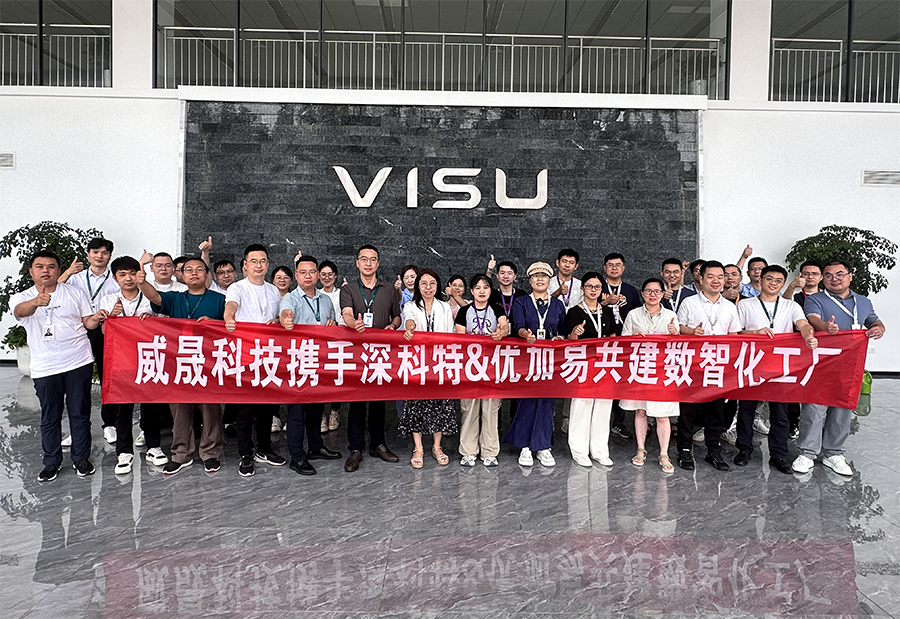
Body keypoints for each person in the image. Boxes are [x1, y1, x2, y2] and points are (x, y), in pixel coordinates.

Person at [13, 250, 105, 482]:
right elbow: (19, 312)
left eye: (51, 266)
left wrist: (96, 318)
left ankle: (81, 458)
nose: (46, 271)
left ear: (58, 270)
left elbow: (87, 322)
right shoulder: (23, 297)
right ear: (31, 271)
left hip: (78, 361)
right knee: (50, 415)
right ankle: (51, 462)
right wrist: (36, 302)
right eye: (40, 266)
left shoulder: (74, 292)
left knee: (79, 412)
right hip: (45, 366)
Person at [794, 260, 885, 476]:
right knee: (814, 407)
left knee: (843, 407)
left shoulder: (863, 301)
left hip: (850, 364)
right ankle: (807, 453)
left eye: (839, 274)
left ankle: (834, 453)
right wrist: (826, 327)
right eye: (828, 275)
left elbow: (874, 321)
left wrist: (879, 328)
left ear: (850, 276)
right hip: (821, 363)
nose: (834, 279)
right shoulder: (815, 299)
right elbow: (813, 319)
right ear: (823, 279)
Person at [138, 256, 227, 475]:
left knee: (210, 410)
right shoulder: (175, 298)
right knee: (179, 409)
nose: (194, 273)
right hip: (179, 362)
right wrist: (142, 281)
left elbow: (230, 326)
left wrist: (215, 324)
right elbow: (155, 297)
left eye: (199, 269)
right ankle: (180, 453)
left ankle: (210, 453)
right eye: (189, 270)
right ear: (181, 275)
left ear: (207, 275)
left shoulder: (219, 299)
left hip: (208, 363)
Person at [734, 265, 818, 474]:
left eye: (779, 280)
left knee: (780, 413)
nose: (773, 283)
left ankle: (778, 454)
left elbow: (803, 324)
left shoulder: (790, 306)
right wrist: (755, 333)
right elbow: (735, 333)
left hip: (780, 367)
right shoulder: (745, 304)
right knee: (746, 410)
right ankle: (744, 449)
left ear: (783, 284)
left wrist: (809, 335)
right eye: (769, 278)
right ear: (761, 280)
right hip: (752, 365)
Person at [224, 243, 287, 477]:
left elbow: (278, 316)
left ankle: (264, 449)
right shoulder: (237, 288)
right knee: (244, 410)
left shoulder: (273, 291)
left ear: (268, 264)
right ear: (245, 265)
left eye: (262, 261)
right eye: (253, 261)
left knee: (266, 408)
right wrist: (229, 316)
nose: (258, 265)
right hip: (245, 357)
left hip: (268, 357)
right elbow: (231, 305)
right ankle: (245, 454)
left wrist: (278, 321)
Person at [278, 255, 343, 476]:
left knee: (317, 408)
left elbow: (332, 324)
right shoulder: (291, 298)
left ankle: (316, 447)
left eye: (312, 272)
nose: (308, 276)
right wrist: (285, 319)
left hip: (320, 361)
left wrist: (333, 324)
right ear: (296, 275)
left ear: (318, 275)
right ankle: (297, 457)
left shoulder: (325, 300)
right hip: (297, 362)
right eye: (303, 272)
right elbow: (285, 314)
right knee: (297, 411)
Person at [340, 244, 402, 472]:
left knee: (378, 400)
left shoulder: (389, 289)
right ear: (357, 263)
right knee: (356, 402)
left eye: (373, 259)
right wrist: (352, 324)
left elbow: (397, 316)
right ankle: (355, 449)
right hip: (357, 352)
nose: (368, 263)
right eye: (364, 259)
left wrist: (393, 325)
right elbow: (346, 313)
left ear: (378, 263)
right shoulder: (348, 289)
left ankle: (378, 444)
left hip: (381, 352)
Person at [676, 260, 742, 471]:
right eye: (711, 276)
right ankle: (684, 449)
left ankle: (713, 449)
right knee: (688, 409)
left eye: (720, 277)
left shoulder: (730, 306)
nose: (716, 281)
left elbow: (734, 335)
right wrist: (692, 332)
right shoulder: (689, 303)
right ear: (701, 278)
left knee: (716, 410)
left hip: (718, 365)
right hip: (692, 364)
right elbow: (678, 328)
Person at [58, 237, 120, 444]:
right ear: (88, 255)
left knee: (107, 376)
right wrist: (68, 272)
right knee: (77, 379)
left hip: (106, 329)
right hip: (78, 329)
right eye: (95, 252)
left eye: (104, 252)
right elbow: (53, 289)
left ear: (109, 256)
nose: (99, 256)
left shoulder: (115, 279)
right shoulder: (76, 277)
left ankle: (109, 423)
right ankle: (78, 429)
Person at [506, 262, 567, 467]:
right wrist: (526, 335)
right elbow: (517, 326)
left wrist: (559, 338)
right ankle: (525, 446)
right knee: (526, 401)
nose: (540, 279)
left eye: (544, 276)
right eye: (536, 276)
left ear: (549, 281)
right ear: (530, 280)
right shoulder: (521, 301)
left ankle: (543, 446)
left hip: (549, 360)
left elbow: (563, 329)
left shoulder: (557, 304)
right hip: (527, 359)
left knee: (546, 403)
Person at [98, 256, 154, 475]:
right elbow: (104, 332)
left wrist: (151, 320)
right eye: (122, 274)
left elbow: (159, 327)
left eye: (132, 273)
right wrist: (111, 319)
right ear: (115, 278)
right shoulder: (108, 300)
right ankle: (124, 452)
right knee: (123, 407)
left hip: (147, 358)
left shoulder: (148, 298)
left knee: (150, 404)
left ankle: (154, 446)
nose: (128, 278)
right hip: (121, 359)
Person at [620, 277, 680, 473]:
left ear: (662, 294)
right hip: (640, 369)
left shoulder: (670, 315)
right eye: (648, 291)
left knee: (662, 415)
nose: (652, 295)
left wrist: (675, 334)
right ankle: (641, 449)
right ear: (642, 293)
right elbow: (623, 342)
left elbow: (679, 347)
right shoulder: (633, 314)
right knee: (640, 411)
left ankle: (664, 454)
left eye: (657, 291)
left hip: (663, 371)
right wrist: (632, 339)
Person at [401, 269, 458, 468]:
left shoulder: (444, 306)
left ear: (438, 286)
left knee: (439, 404)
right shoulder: (410, 305)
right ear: (418, 286)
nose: (428, 287)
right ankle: (418, 448)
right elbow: (409, 319)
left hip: (439, 361)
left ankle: (437, 446)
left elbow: (451, 333)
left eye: (432, 283)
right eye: (423, 283)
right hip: (417, 362)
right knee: (416, 403)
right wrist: (410, 327)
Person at [455, 273, 509, 467]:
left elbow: (505, 326)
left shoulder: (497, 309)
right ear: (471, 291)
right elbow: (460, 339)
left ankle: (489, 452)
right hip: (469, 368)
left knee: (490, 410)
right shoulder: (464, 311)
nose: (482, 291)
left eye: (485, 287)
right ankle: (468, 452)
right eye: (477, 288)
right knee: (469, 410)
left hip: (492, 367)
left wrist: (501, 332)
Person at [565, 271, 615, 467]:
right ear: (582, 288)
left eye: (597, 287)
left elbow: (613, 336)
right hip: (583, 364)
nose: (593, 290)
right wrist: (575, 333)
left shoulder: (607, 312)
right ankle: (579, 450)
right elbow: (569, 340)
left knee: (603, 405)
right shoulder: (574, 312)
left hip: (604, 364)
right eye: (589, 286)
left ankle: (599, 450)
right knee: (582, 405)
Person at [601, 252, 641, 441]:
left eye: (618, 265)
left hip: (625, 344)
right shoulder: (598, 287)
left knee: (620, 381)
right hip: (602, 343)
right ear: (605, 268)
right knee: (602, 380)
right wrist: (604, 303)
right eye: (610, 265)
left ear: (623, 268)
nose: (614, 268)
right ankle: (601, 422)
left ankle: (619, 422)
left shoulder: (631, 291)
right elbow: (586, 308)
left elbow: (639, 314)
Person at [782, 259, 824, 438]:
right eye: (806, 273)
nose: (810, 277)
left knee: (817, 387)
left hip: (821, 348)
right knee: (794, 386)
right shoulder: (796, 297)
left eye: (814, 273)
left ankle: (816, 425)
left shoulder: (828, 297)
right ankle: (793, 423)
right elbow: (783, 304)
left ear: (821, 277)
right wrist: (792, 286)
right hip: (796, 348)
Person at [318, 259, 344, 432]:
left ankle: (335, 411)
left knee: (337, 377)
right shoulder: (316, 294)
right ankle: (321, 414)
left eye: (330, 274)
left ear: (335, 276)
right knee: (320, 378)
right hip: (319, 343)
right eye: (323, 274)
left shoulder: (343, 293)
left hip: (338, 341)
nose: (327, 278)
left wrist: (336, 323)